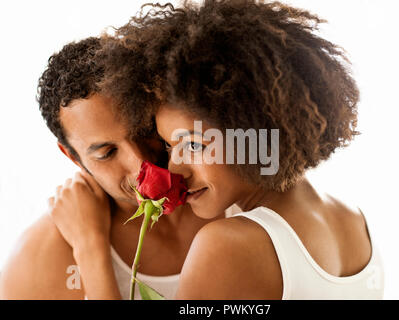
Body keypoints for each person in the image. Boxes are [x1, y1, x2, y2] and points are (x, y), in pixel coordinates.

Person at [48, 0, 384, 299]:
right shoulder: (354, 221)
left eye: (193, 144)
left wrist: (90, 250)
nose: (174, 168)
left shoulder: (227, 245)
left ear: (252, 127)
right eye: (168, 143)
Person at [0, 37, 234, 300]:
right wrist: (90, 247)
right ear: (73, 157)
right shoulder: (38, 259)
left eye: (144, 131)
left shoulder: (236, 192)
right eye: (107, 153)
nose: (140, 163)